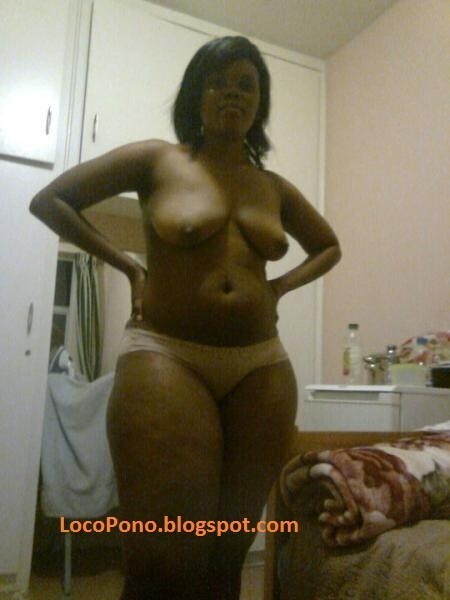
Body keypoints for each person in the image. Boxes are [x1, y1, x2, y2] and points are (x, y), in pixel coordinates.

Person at [30, 36, 341, 600]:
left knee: (227, 559)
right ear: (196, 95)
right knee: (163, 561)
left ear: (260, 104)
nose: (232, 93)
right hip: (167, 355)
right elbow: (52, 200)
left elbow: (328, 246)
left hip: (262, 367)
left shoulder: (272, 187)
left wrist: (279, 287)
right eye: (218, 81)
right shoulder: (157, 160)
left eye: (246, 85)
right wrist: (129, 266)